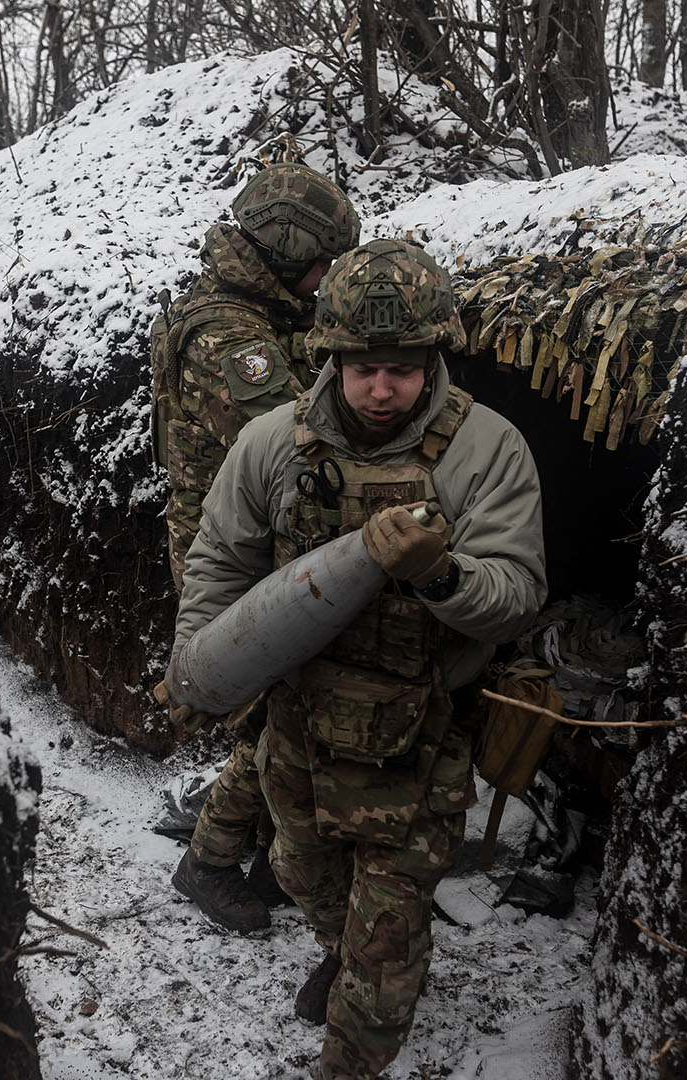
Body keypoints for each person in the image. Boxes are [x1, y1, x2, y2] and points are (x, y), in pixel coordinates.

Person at [169, 238, 547, 1078]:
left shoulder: (489, 451)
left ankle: (361, 1016)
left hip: (415, 741)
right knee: (302, 873)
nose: (382, 389)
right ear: (330, 358)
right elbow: (221, 561)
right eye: (363, 368)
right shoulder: (272, 443)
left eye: (403, 368)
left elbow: (518, 593)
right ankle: (348, 949)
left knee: (385, 954)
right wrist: (200, 663)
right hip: (297, 733)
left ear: (432, 358)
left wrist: (443, 576)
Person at [152, 161, 361, 933]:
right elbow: (293, 455)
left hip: (250, 539)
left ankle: (272, 855)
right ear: (280, 251)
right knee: (277, 722)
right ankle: (205, 864)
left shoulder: (243, 307)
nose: (324, 277)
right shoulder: (233, 338)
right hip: (237, 552)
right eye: (319, 261)